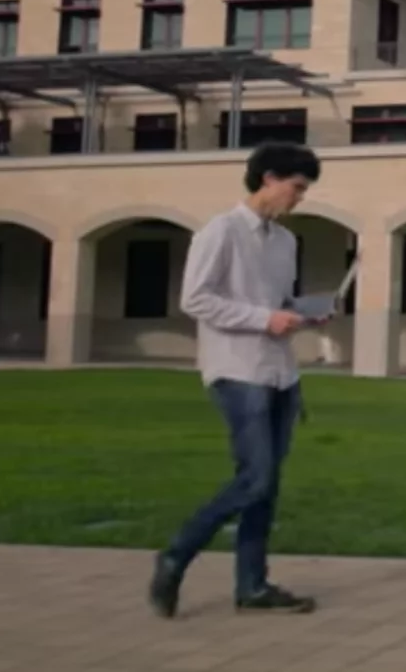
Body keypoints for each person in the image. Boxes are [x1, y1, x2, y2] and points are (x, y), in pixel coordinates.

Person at [149, 143, 322, 618]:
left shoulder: (286, 242)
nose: (300, 198)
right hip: (237, 371)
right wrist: (265, 319)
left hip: (281, 374)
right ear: (269, 178)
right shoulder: (219, 231)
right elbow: (195, 299)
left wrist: (304, 313)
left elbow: (278, 303)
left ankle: (252, 587)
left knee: (266, 486)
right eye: (296, 187)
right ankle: (175, 555)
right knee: (255, 479)